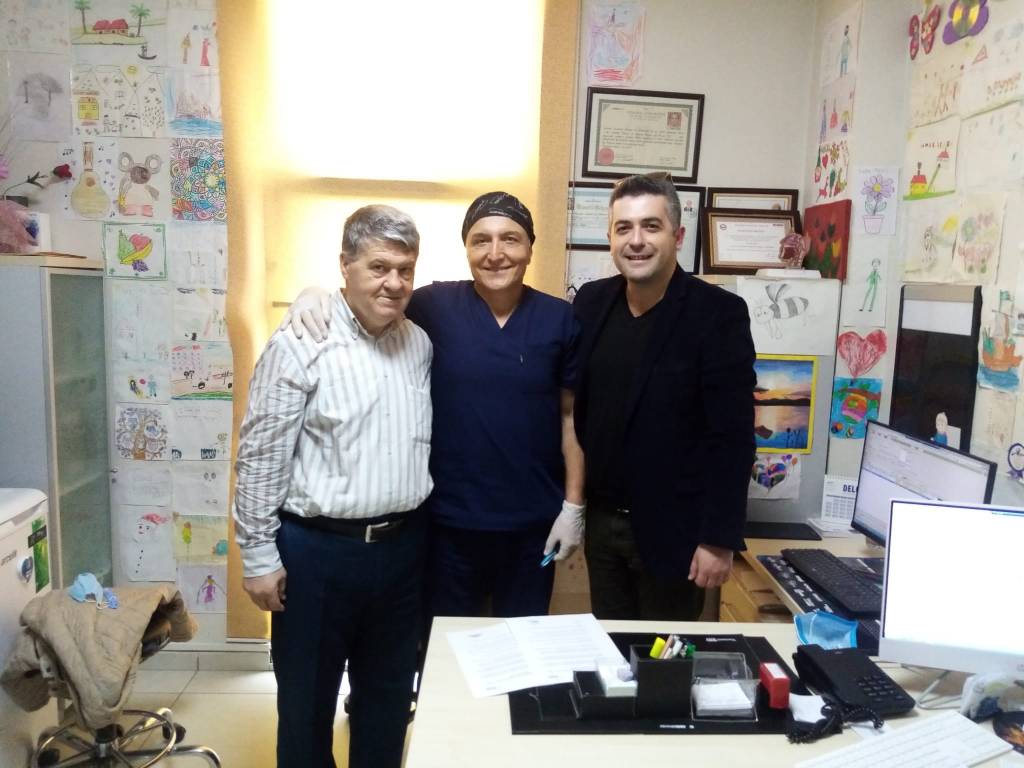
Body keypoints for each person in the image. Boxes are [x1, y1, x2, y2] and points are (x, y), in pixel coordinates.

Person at [284, 192, 585, 618]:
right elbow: (368, 300)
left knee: (522, 643)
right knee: (445, 644)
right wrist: (315, 294)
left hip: (532, 524)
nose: (495, 253)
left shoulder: (559, 318)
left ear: (530, 248)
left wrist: (573, 507)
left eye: (510, 239)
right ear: (466, 249)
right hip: (446, 525)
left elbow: (571, 418)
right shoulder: (433, 306)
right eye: (480, 240)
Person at [233, 205, 433, 768]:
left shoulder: (419, 343)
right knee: (306, 706)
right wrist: (257, 555)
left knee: (388, 703)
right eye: (378, 267)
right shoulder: (301, 341)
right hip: (317, 554)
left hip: (401, 553)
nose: (394, 283)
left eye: (405, 270)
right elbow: (261, 455)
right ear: (345, 265)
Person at [572, 172, 755, 620]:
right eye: (624, 228)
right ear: (610, 239)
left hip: (677, 531)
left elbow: (732, 436)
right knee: (611, 649)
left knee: (662, 656)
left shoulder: (718, 314)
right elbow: (579, 408)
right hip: (603, 524)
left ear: (678, 235)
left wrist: (718, 538)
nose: (636, 240)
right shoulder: (591, 303)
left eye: (650, 226)